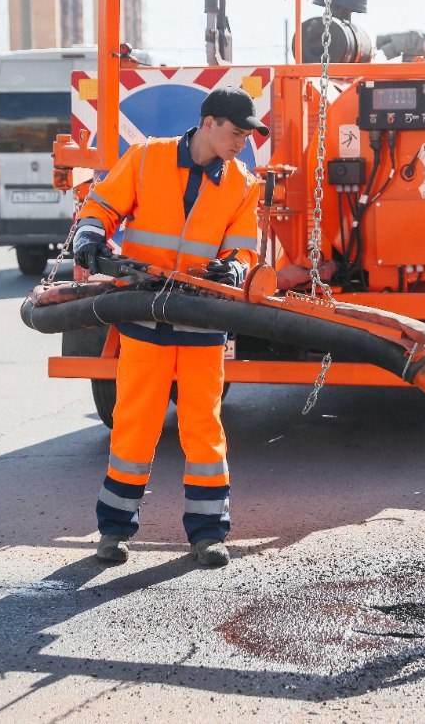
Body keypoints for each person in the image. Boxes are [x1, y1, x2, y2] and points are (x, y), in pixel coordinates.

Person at [72, 87, 265, 567]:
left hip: (202, 322)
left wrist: (235, 267)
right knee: (135, 424)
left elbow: (244, 248)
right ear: (210, 123)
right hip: (145, 316)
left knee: (204, 428)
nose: (242, 141)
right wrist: (91, 232)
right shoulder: (145, 158)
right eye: (237, 131)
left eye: (247, 134)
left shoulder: (243, 183)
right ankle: (113, 531)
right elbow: (101, 205)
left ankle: (207, 535)